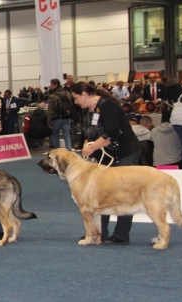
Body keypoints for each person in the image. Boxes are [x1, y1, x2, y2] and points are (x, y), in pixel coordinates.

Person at [72, 81, 140, 245]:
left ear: (84, 95)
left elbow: (111, 133)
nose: (75, 102)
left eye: (76, 98)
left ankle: (121, 235)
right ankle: (98, 233)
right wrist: (87, 144)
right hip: (105, 156)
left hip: (125, 152)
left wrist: (93, 147)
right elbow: (89, 132)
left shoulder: (107, 105)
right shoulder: (88, 111)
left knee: (124, 194)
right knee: (102, 194)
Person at [46, 79, 73, 150]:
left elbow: (50, 110)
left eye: (51, 84)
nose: (50, 86)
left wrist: (48, 121)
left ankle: (57, 151)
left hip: (56, 118)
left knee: (55, 135)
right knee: (67, 135)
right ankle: (69, 150)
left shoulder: (52, 96)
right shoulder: (67, 93)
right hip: (67, 117)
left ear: (55, 85)